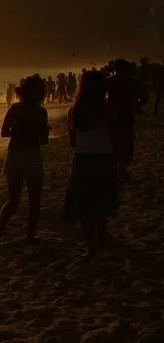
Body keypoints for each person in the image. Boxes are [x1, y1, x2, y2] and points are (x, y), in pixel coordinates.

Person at [64, 70, 119, 258]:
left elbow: (72, 142)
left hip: (83, 159)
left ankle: (91, 246)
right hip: (105, 158)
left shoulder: (74, 111)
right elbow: (115, 137)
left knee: (84, 204)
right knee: (103, 200)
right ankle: (102, 235)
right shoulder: (108, 109)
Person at [0, 76, 50, 248]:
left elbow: (4, 133)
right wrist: (42, 131)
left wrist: (19, 132)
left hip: (15, 155)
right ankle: (30, 237)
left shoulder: (14, 109)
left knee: (13, 201)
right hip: (31, 156)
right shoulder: (41, 112)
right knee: (34, 202)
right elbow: (43, 141)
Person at [107, 58, 148, 182]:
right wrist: (135, 102)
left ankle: (116, 169)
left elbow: (97, 96)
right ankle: (122, 168)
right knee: (127, 143)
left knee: (114, 143)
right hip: (127, 115)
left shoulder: (109, 81)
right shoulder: (134, 82)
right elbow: (145, 99)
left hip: (113, 117)